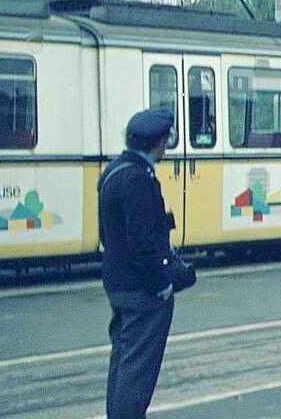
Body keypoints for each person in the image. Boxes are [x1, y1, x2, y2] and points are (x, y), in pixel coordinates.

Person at [97, 108, 178, 419]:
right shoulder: (138, 180)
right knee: (138, 372)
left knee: (122, 361)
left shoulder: (113, 172)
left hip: (117, 283)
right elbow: (142, 243)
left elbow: (107, 234)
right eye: (165, 141)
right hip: (141, 291)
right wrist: (162, 285)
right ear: (158, 143)